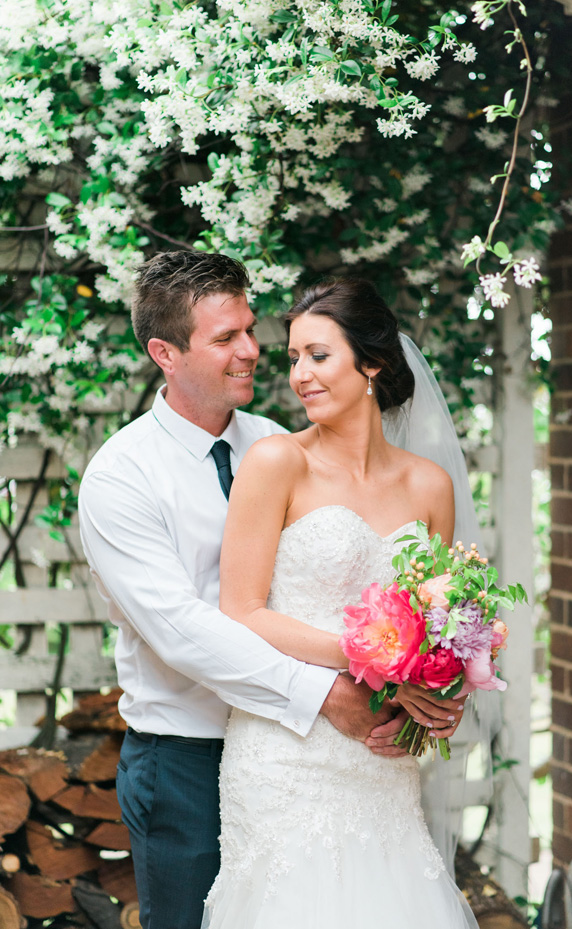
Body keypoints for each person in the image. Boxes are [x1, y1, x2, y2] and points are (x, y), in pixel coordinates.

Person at [77, 253, 464, 929]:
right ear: (165, 353)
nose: (254, 352)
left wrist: (431, 688)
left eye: (251, 330)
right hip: (190, 756)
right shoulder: (121, 477)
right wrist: (338, 684)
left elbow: (409, 602)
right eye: (226, 338)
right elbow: (184, 630)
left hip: (339, 747)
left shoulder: (279, 443)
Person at [203, 277, 479, 929]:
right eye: (294, 357)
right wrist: (372, 660)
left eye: (318, 355)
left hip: (383, 760)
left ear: (373, 362)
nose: (299, 374)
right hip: (287, 752)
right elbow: (241, 609)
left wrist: (441, 699)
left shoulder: (430, 484)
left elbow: (443, 627)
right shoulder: (276, 463)